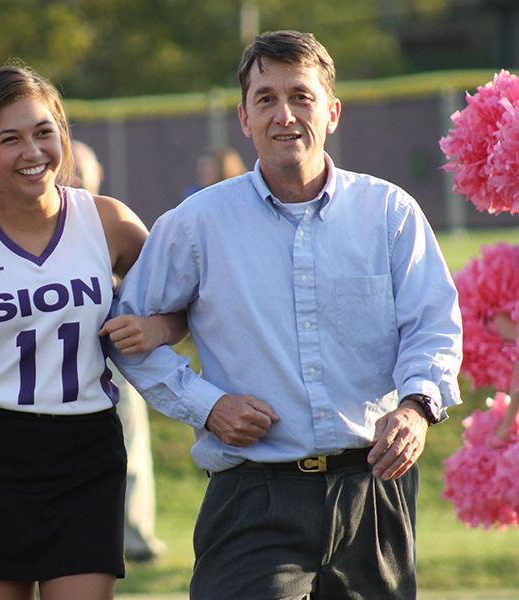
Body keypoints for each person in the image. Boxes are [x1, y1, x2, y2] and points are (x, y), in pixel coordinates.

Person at [111, 30, 462, 599]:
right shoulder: (197, 223)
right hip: (253, 496)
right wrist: (208, 405)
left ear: (332, 113)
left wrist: (417, 407)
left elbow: (433, 325)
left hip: (373, 489)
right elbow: (127, 335)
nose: (285, 114)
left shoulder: (389, 212)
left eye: (301, 96)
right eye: (266, 98)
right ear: (244, 118)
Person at [0, 65, 182, 600]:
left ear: (63, 134)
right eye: (9, 139)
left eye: (43, 132)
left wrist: (156, 326)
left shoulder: (109, 221)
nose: (31, 151)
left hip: (84, 448)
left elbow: (185, 307)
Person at [71, 139, 167, 562]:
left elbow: (157, 285)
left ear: (97, 175)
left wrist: (151, 327)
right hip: (60, 366)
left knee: (129, 444)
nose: (73, 179)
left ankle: (134, 535)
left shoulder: (106, 220)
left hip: (115, 355)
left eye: (81, 171)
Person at [181, 147, 246, 199]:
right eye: (201, 166)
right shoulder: (193, 194)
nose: (202, 171)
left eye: (209, 166)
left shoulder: (240, 194)